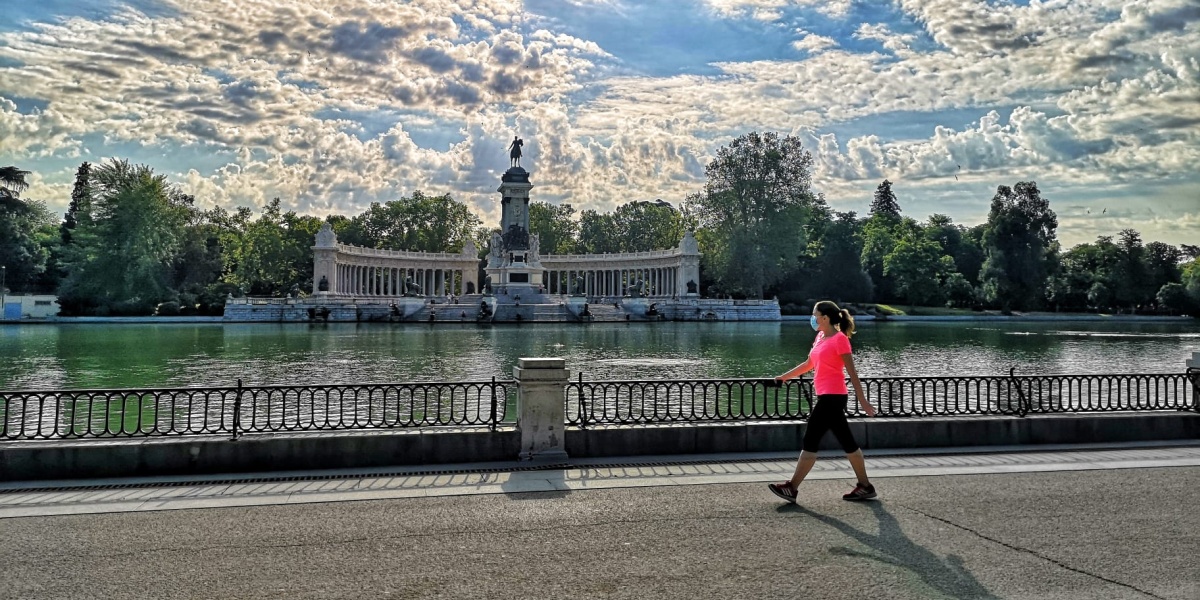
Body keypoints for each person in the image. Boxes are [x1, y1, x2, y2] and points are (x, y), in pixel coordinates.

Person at [769, 300, 877, 503]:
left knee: (811, 440)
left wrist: (862, 401)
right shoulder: (820, 337)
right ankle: (865, 486)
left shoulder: (840, 340)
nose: (812, 318)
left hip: (833, 397)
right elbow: (809, 364)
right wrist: (784, 377)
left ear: (825, 318)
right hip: (826, 395)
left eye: (815, 314)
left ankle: (791, 488)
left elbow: (852, 373)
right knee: (848, 443)